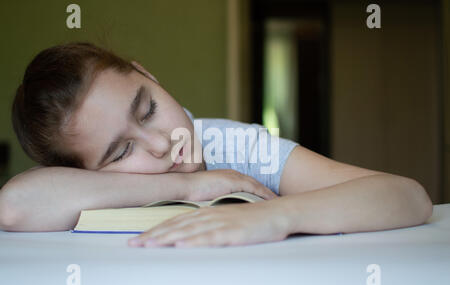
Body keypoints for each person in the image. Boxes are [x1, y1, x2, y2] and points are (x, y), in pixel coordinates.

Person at [0, 42, 432, 248]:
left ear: (149, 76)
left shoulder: (237, 147)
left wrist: (276, 214)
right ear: (83, 172)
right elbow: (14, 206)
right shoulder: (86, 188)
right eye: (120, 151)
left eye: (148, 109)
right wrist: (188, 188)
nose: (161, 143)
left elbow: (408, 197)